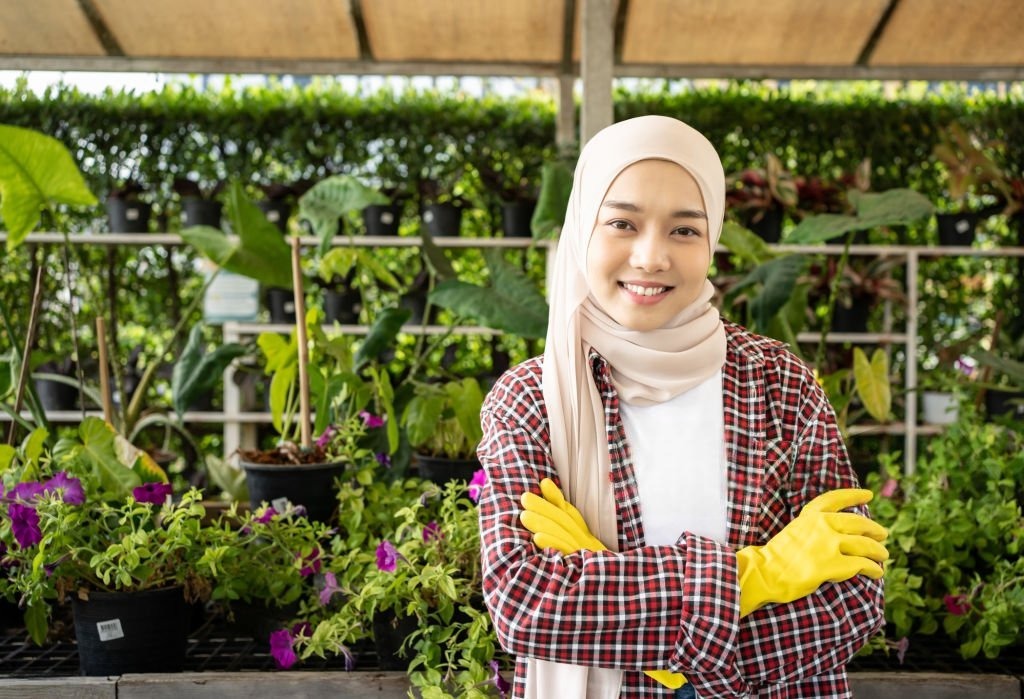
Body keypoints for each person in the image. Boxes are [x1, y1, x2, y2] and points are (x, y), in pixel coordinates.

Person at [476, 115, 889, 698]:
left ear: (712, 238)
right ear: (581, 230)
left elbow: (851, 601)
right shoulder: (530, 402)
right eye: (622, 222)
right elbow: (526, 604)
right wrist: (757, 577)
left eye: (685, 231)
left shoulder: (778, 382)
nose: (650, 257)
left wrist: (605, 585)